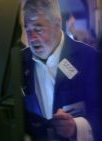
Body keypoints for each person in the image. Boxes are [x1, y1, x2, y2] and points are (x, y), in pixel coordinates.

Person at [21, 0, 101, 140]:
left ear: (57, 23)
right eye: (28, 30)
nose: (32, 38)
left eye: (38, 29)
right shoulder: (21, 62)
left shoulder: (89, 58)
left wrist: (77, 127)